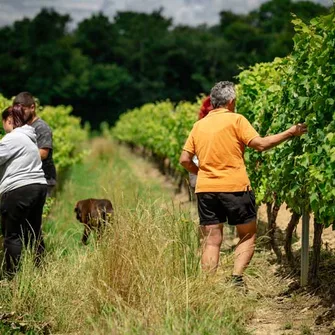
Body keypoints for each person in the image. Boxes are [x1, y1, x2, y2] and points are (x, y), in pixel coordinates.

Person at [179, 81, 307, 286]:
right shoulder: (236, 120)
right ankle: (236, 280)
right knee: (247, 235)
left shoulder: (199, 125)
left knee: (211, 240)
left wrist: (203, 172)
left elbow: (184, 160)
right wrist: (291, 132)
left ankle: (207, 287)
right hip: (235, 188)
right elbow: (261, 145)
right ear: (231, 101)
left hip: (206, 190)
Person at [0, 105, 47, 276]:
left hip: (19, 189)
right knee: (33, 231)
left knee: (11, 235)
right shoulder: (29, 138)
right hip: (38, 187)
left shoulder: (12, 138)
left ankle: (11, 278)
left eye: (3, 122)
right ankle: (41, 271)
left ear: (10, 120)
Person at [13, 92, 56, 197]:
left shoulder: (42, 128)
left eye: (22, 110)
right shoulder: (21, 126)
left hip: (44, 180)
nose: (19, 114)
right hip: (28, 180)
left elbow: (43, 153)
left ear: (32, 107)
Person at [188, 97, 213, 192]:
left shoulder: (198, 128)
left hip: (202, 179)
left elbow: (185, 160)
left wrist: (199, 173)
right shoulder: (228, 128)